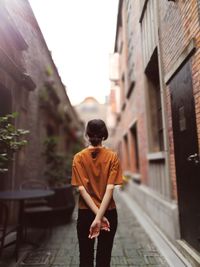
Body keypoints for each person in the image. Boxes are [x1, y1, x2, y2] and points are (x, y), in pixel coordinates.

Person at [71, 119, 123, 267]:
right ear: (104, 134)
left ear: (87, 134)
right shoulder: (112, 157)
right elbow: (109, 190)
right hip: (108, 213)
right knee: (104, 259)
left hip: (86, 213)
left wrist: (95, 218)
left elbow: (82, 190)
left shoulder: (78, 158)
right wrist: (101, 217)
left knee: (85, 258)